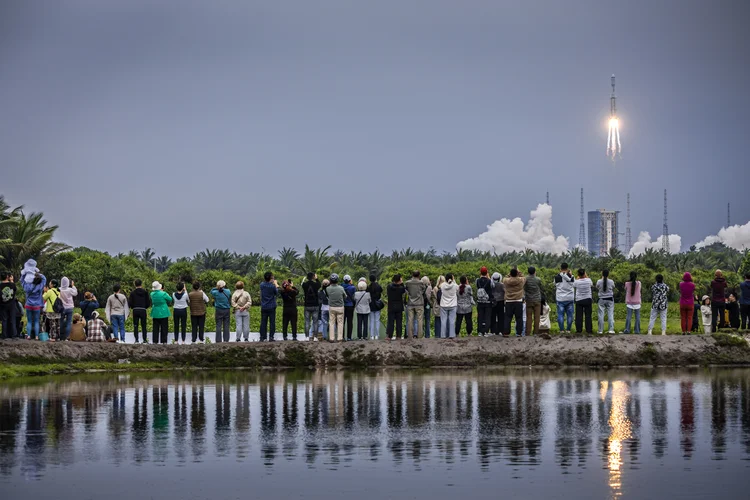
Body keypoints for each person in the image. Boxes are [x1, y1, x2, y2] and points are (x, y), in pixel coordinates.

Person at [22, 272, 46, 340]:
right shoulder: (40, 286)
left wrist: (30, 274)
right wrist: (38, 273)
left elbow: (23, 280)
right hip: (37, 306)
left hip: (28, 305)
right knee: (36, 321)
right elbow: (44, 278)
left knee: (29, 321)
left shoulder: (27, 286)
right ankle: (36, 336)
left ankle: (29, 336)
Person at [503, 269, 525, 337]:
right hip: (518, 301)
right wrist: (519, 273)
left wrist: (509, 274)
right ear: (517, 273)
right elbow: (524, 277)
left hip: (509, 301)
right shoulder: (521, 280)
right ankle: (519, 333)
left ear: (510, 274)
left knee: (508, 317)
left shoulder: (506, 281)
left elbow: (505, 277)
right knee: (519, 318)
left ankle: (506, 332)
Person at [404, 271, 426, 339]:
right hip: (419, 303)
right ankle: (419, 336)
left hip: (410, 303)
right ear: (419, 275)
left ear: (412, 275)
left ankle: (410, 336)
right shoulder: (421, 283)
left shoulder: (407, 283)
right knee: (419, 320)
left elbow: (406, 290)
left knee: (410, 320)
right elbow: (424, 290)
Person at [554, 263, 575, 334]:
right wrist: (570, 275)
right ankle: (568, 330)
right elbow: (573, 284)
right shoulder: (571, 276)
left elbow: (555, 284)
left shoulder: (557, 277)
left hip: (560, 298)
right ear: (567, 268)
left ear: (561, 268)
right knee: (570, 315)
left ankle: (562, 330)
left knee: (560, 314)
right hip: (569, 298)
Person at [129, 279, 151, 343]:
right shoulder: (145, 292)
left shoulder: (132, 293)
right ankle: (144, 340)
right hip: (143, 310)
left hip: (135, 310)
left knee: (135, 325)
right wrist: (145, 307)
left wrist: (133, 307)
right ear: (141, 284)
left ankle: (136, 340)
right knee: (144, 325)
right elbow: (148, 302)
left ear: (134, 284)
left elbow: (130, 303)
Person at [260, 272, 280, 342]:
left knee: (263, 322)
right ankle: (271, 337)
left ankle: (262, 337)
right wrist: (276, 284)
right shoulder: (272, 286)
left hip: (264, 306)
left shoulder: (262, 285)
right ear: (270, 278)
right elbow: (277, 292)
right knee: (272, 322)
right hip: (271, 306)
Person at [385, 274, 406, 340]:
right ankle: (398, 336)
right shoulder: (401, 288)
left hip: (391, 306)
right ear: (399, 280)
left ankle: (389, 336)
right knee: (399, 322)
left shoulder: (389, 287)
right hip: (399, 307)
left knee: (390, 322)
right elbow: (403, 290)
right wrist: (402, 283)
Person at [326, 274, 347, 342]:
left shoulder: (328, 288)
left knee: (331, 322)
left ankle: (331, 338)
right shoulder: (341, 288)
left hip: (332, 307)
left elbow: (328, 295)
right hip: (340, 307)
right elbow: (345, 296)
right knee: (340, 323)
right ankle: (339, 338)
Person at [573, 269, 593, 334]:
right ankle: (589, 330)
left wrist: (578, 278)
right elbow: (591, 285)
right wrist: (586, 276)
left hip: (579, 299)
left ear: (578, 274)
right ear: (584, 273)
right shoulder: (589, 280)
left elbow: (574, 285)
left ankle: (579, 330)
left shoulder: (576, 281)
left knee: (578, 316)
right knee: (588, 315)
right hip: (588, 299)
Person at [523, 266, 542, 336]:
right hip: (537, 300)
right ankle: (536, 332)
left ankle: (527, 333)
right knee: (537, 317)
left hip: (529, 300)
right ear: (534, 272)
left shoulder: (525, 279)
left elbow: (524, 287)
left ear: (528, 272)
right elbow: (541, 287)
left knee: (529, 317)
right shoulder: (538, 279)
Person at [475, 267, 493, 337]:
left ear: (480, 273)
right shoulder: (489, 281)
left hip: (480, 301)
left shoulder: (477, 280)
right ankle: (486, 331)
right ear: (487, 272)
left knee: (480, 316)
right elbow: (491, 288)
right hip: (487, 302)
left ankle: (480, 331)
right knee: (487, 317)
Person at [439, 274, 458, 338]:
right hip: (453, 305)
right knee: (452, 321)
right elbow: (457, 288)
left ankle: (443, 335)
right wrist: (453, 280)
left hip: (443, 305)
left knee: (443, 321)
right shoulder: (455, 285)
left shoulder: (442, 285)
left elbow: (441, 286)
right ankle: (452, 335)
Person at [302, 273, 321, 339]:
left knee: (307, 321)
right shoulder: (316, 285)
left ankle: (307, 337)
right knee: (315, 322)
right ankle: (315, 337)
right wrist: (316, 278)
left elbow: (302, 283)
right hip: (315, 305)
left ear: (307, 277)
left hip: (307, 305)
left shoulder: (304, 285)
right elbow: (319, 284)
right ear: (313, 277)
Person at [596, 270, 615, 334]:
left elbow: (597, 287)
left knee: (601, 314)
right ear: (608, 274)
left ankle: (600, 330)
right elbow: (613, 287)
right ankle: (611, 329)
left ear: (602, 274)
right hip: (610, 299)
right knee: (610, 314)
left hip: (601, 299)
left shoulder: (599, 281)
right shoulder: (611, 281)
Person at [1, 272, 18, 339]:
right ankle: (14, 335)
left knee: (4, 320)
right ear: (7, 277)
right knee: (12, 319)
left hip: (3, 304)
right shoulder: (12, 284)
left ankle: (4, 335)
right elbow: (15, 291)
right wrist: (11, 281)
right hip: (11, 304)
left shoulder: (0, 285)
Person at [367, 274, 383, 341]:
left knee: (371, 321)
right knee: (377, 320)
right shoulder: (378, 286)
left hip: (370, 305)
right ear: (375, 279)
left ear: (370, 280)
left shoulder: (368, 287)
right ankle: (377, 335)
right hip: (377, 305)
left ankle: (371, 336)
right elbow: (381, 291)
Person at [341, 275, 356, 341]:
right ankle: (349, 337)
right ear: (350, 280)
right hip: (350, 306)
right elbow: (354, 297)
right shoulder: (353, 287)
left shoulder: (340, 287)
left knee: (342, 322)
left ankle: (342, 337)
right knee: (350, 322)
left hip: (342, 306)